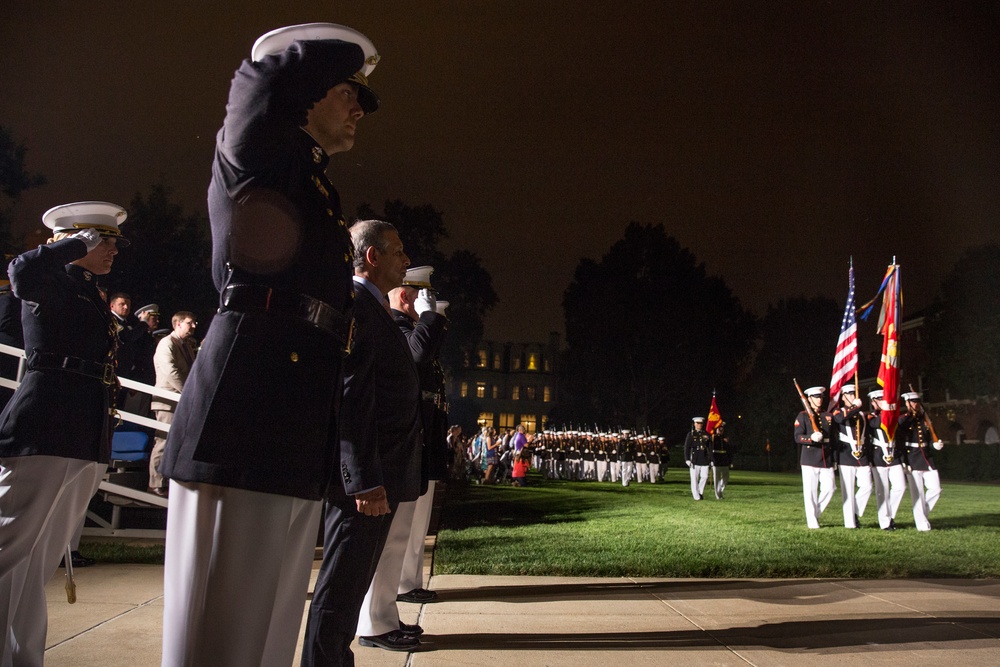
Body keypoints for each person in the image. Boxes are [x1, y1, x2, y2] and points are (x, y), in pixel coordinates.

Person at [158, 23, 380, 666]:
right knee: (220, 635)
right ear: (304, 92)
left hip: (288, 414)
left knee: (269, 629)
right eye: (349, 92)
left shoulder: (310, 180)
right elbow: (253, 86)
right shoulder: (256, 148)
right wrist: (303, 56)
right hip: (244, 410)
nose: (359, 110)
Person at [0, 201, 127, 666]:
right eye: (105, 240)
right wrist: (73, 245)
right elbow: (21, 270)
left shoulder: (87, 290)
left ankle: (22, 657)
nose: (114, 250)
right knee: (8, 546)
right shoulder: (48, 278)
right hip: (43, 428)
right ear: (80, 239)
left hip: (81, 433)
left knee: (37, 563)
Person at [302, 220, 423, 664]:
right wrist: (364, 481)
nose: (406, 260)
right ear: (372, 257)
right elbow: (352, 398)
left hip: (380, 477)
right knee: (340, 588)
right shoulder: (358, 307)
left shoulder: (373, 309)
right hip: (367, 484)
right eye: (398, 251)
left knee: (349, 589)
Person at [354, 265, 449, 649]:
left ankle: (384, 616)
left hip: (410, 446)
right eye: (414, 294)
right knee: (389, 538)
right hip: (389, 449)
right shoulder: (393, 326)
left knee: (396, 540)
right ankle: (374, 622)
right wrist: (429, 318)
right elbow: (417, 356)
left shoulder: (405, 328)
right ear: (405, 295)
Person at [146, 312, 197, 497]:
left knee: (177, 443)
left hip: (180, 401)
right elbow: (171, 372)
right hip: (167, 400)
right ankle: (155, 483)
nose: (193, 326)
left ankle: (168, 481)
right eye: (189, 323)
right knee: (163, 441)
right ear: (177, 324)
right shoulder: (166, 343)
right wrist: (189, 393)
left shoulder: (187, 345)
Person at [897, 391, 944, 531]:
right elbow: (900, 442)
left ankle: (921, 514)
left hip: (926, 457)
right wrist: (904, 461)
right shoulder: (904, 420)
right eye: (912, 402)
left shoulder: (925, 419)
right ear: (907, 403)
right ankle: (922, 524)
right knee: (918, 493)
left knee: (936, 489)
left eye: (917, 402)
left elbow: (929, 438)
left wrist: (935, 445)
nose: (915, 404)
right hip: (912, 457)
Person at [794, 385, 835, 529]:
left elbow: (833, 438)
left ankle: (815, 513)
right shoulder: (803, 416)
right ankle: (812, 521)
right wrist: (810, 438)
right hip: (810, 458)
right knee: (810, 491)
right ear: (809, 399)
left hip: (825, 458)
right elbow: (797, 437)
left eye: (821, 397)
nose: (819, 400)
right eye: (816, 397)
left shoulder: (828, 416)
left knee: (830, 488)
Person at [832, 385, 873, 528]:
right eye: (848, 394)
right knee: (848, 491)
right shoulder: (839, 411)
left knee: (867, 486)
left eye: (853, 394)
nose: (851, 396)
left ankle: (854, 512)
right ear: (843, 397)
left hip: (861, 455)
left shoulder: (863, 414)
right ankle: (850, 523)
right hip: (846, 454)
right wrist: (854, 407)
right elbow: (838, 419)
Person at [868, 389, 905, 531]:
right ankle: (885, 522)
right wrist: (885, 411)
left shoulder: (892, 416)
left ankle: (890, 515)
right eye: (878, 400)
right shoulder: (871, 417)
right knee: (881, 491)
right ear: (873, 402)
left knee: (900, 487)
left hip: (893, 455)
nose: (882, 402)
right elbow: (876, 424)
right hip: (878, 456)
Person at [684, 417, 711, 500]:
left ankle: (700, 491)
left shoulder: (706, 434)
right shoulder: (691, 434)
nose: (699, 425)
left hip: (704, 457)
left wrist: (711, 459)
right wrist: (687, 459)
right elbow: (687, 447)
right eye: (698, 423)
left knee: (705, 476)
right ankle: (696, 496)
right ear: (694, 424)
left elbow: (710, 447)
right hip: (695, 458)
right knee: (694, 478)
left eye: (701, 423)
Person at [709, 422, 732, 499]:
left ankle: (720, 490)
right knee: (716, 478)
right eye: (719, 428)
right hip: (716, 460)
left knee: (726, 477)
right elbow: (710, 449)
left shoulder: (725, 438)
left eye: (722, 428)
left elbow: (729, 450)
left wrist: (730, 461)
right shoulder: (713, 437)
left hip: (724, 460)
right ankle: (718, 495)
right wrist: (711, 460)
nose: (721, 430)